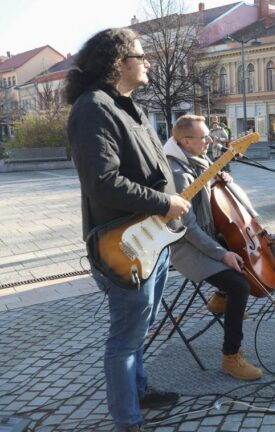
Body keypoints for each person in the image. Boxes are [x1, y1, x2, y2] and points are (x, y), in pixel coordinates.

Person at [65, 28, 191, 432]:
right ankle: (127, 419)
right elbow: (102, 181)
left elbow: (152, 172)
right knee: (124, 335)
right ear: (120, 62)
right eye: (142, 54)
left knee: (140, 326)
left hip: (154, 239)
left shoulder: (128, 106)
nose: (148, 61)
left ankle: (138, 391)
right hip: (123, 245)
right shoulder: (93, 108)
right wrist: (165, 202)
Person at [164, 114, 264, 381]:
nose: (209, 141)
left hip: (206, 236)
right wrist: (222, 254)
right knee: (240, 285)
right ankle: (231, 357)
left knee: (244, 258)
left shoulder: (197, 161)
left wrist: (222, 180)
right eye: (203, 137)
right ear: (185, 141)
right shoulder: (177, 174)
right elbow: (189, 229)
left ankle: (221, 298)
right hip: (187, 248)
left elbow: (210, 198)